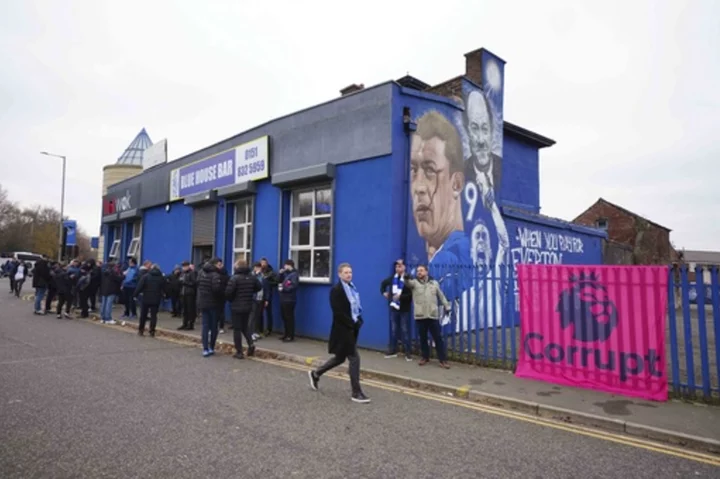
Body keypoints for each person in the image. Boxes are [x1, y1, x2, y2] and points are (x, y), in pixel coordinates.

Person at [308, 263, 370, 404]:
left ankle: (316, 373)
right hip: (343, 330)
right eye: (346, 272)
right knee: (354, 358)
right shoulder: (336, 290)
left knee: (340, 358)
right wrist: (352, 324)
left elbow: (355, 308)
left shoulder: (352, 288)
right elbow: (338, 312)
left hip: (352, 328)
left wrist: (359, 320)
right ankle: (356, 392)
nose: (349, 274)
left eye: (350, 272)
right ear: (339, 274)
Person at [404, 265, 452, 369]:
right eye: (418, 271)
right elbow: (407, 283)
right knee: (423, 339)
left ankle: (443, 360)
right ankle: (425, 357)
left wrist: (447, 306)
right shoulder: (414, 283)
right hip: (421, 316)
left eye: (421, 270)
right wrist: (406, 277)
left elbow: (441, 296)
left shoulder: (434, 283)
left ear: (426, 271)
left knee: (438, 338)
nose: (419, 272)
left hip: (432, 315)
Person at [225, 259, 262, 359]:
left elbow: (228, 293)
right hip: (248, 305)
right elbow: (259, 287)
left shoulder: (234, 278)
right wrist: (250, 292)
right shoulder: (252, 277)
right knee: (245, 327)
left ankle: (239, 351)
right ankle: (251, 344)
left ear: (237, 267)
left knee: (237, 329)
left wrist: (231, 299)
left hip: (236, 306)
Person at [380, 259, 413, 360]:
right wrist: (383, 292)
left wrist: (400, 297)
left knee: (404, 330)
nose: (398, 268)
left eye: (400, 266)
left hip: (404, 309)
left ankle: (407, 352)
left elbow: (411, 294)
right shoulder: (392, 278)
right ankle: (393, 351)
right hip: (394, 308)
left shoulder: (409, 279)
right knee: (394, 330)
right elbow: (383, 284)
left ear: (404, 267)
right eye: (396, 266)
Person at [196, 257, 224, 357]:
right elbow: (216, 290)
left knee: (205, 326)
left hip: (203, 303)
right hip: (214, 304)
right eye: (220, 264)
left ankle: (205, 348)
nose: (221, 266)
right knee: (213, 327)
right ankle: (211, 347)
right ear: (215, 264)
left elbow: (199, 286)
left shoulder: (202, 274)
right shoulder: (216, 275)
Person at [134, 264, 166, 337]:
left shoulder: (145, 276)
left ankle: (141, 330)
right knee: (153, 316)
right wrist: (166, 295)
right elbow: (165, 288)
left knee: (143, 315)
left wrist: (135, 295)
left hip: (146, 298)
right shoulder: (161, 278)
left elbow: (139, 286)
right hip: (156, 299)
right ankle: (152, 331)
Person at [277, 259, 299, 342]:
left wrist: (284, 289)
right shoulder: (286, 274)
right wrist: (280, 274)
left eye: (285, 265)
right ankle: (286, 334)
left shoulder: (294, 275)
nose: (284, 267)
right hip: (283, 298)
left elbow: (293, 286)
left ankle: (290, 335)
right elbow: (279, 281)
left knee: (289, 317)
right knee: (284, 317)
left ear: (289, 265)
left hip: (290, 299)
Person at [250, 262, 269, 341]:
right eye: (257, 267)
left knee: (258, 316)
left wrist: (267, 299)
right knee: (252, 316)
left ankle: (255, 331)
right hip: (253, 298)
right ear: (254, 268)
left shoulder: (263, 277)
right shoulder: (251, 276)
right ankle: (250, 333)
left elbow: (266, 289)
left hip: (261, 298)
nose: (258, 269)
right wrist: (255, 275)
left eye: (259, 267)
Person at [260, 257, 277, 336]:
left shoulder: (271, 272)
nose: (263, 264)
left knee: (268, 312)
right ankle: (260, 328)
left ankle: (269, 329)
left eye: (264, 263)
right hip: (259, 294)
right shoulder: (259, 272)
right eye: (262, 263)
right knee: (259, 312)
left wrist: (267, 283)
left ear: (267, 263)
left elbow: (276, 282)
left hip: (268, 293)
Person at [178, 261, 197, 330]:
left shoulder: (192, 273)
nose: (184, 268)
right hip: (183, 293)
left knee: (190, 309)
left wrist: (185, 282)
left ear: (188, 266)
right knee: (184, 310)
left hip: (190, 294)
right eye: (183, 266)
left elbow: (194, 283)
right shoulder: (182, 273)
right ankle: (184, 323)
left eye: (185, 266)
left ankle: (190, 324)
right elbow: (180, 280)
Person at [217, 261, 230, 333]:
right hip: (221, 295)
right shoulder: (225, 274)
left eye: (219, 265)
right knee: (219, 311)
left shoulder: (220, 274)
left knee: (220, 312)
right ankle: (220, 327)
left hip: (220, 295)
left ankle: (220, 326)